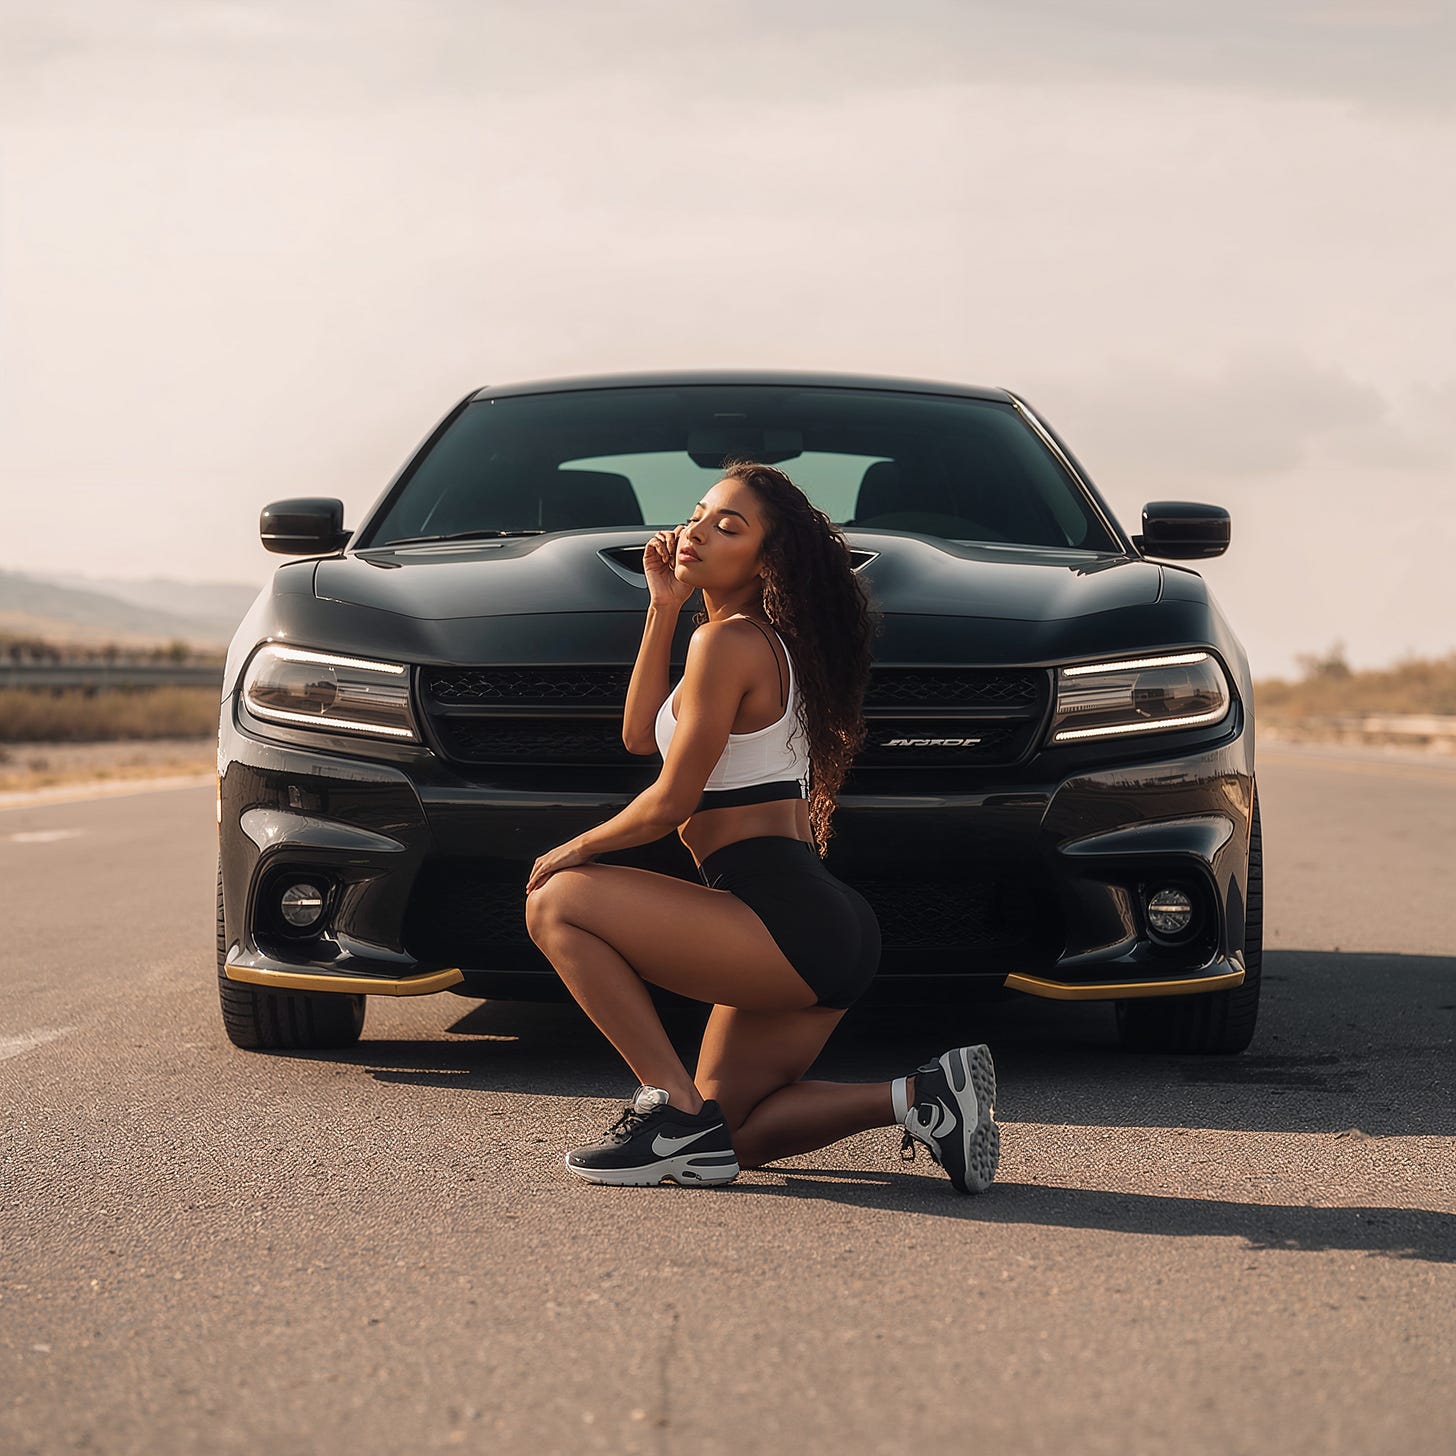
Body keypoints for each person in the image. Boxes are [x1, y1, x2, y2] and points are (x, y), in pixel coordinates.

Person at [524, 461, 999, 1194]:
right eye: (697, 515)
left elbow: (670, 802)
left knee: (556, 902)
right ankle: (922, 1098)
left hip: (778, 915)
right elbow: (639, 738)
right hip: (817, 923)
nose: (696, 532)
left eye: (728, 526)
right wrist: (663, 606)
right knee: (734, 1135)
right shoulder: (752, 642)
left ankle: (669, 1110)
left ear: (766, 560)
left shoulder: (729, 643)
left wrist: (573, 849)